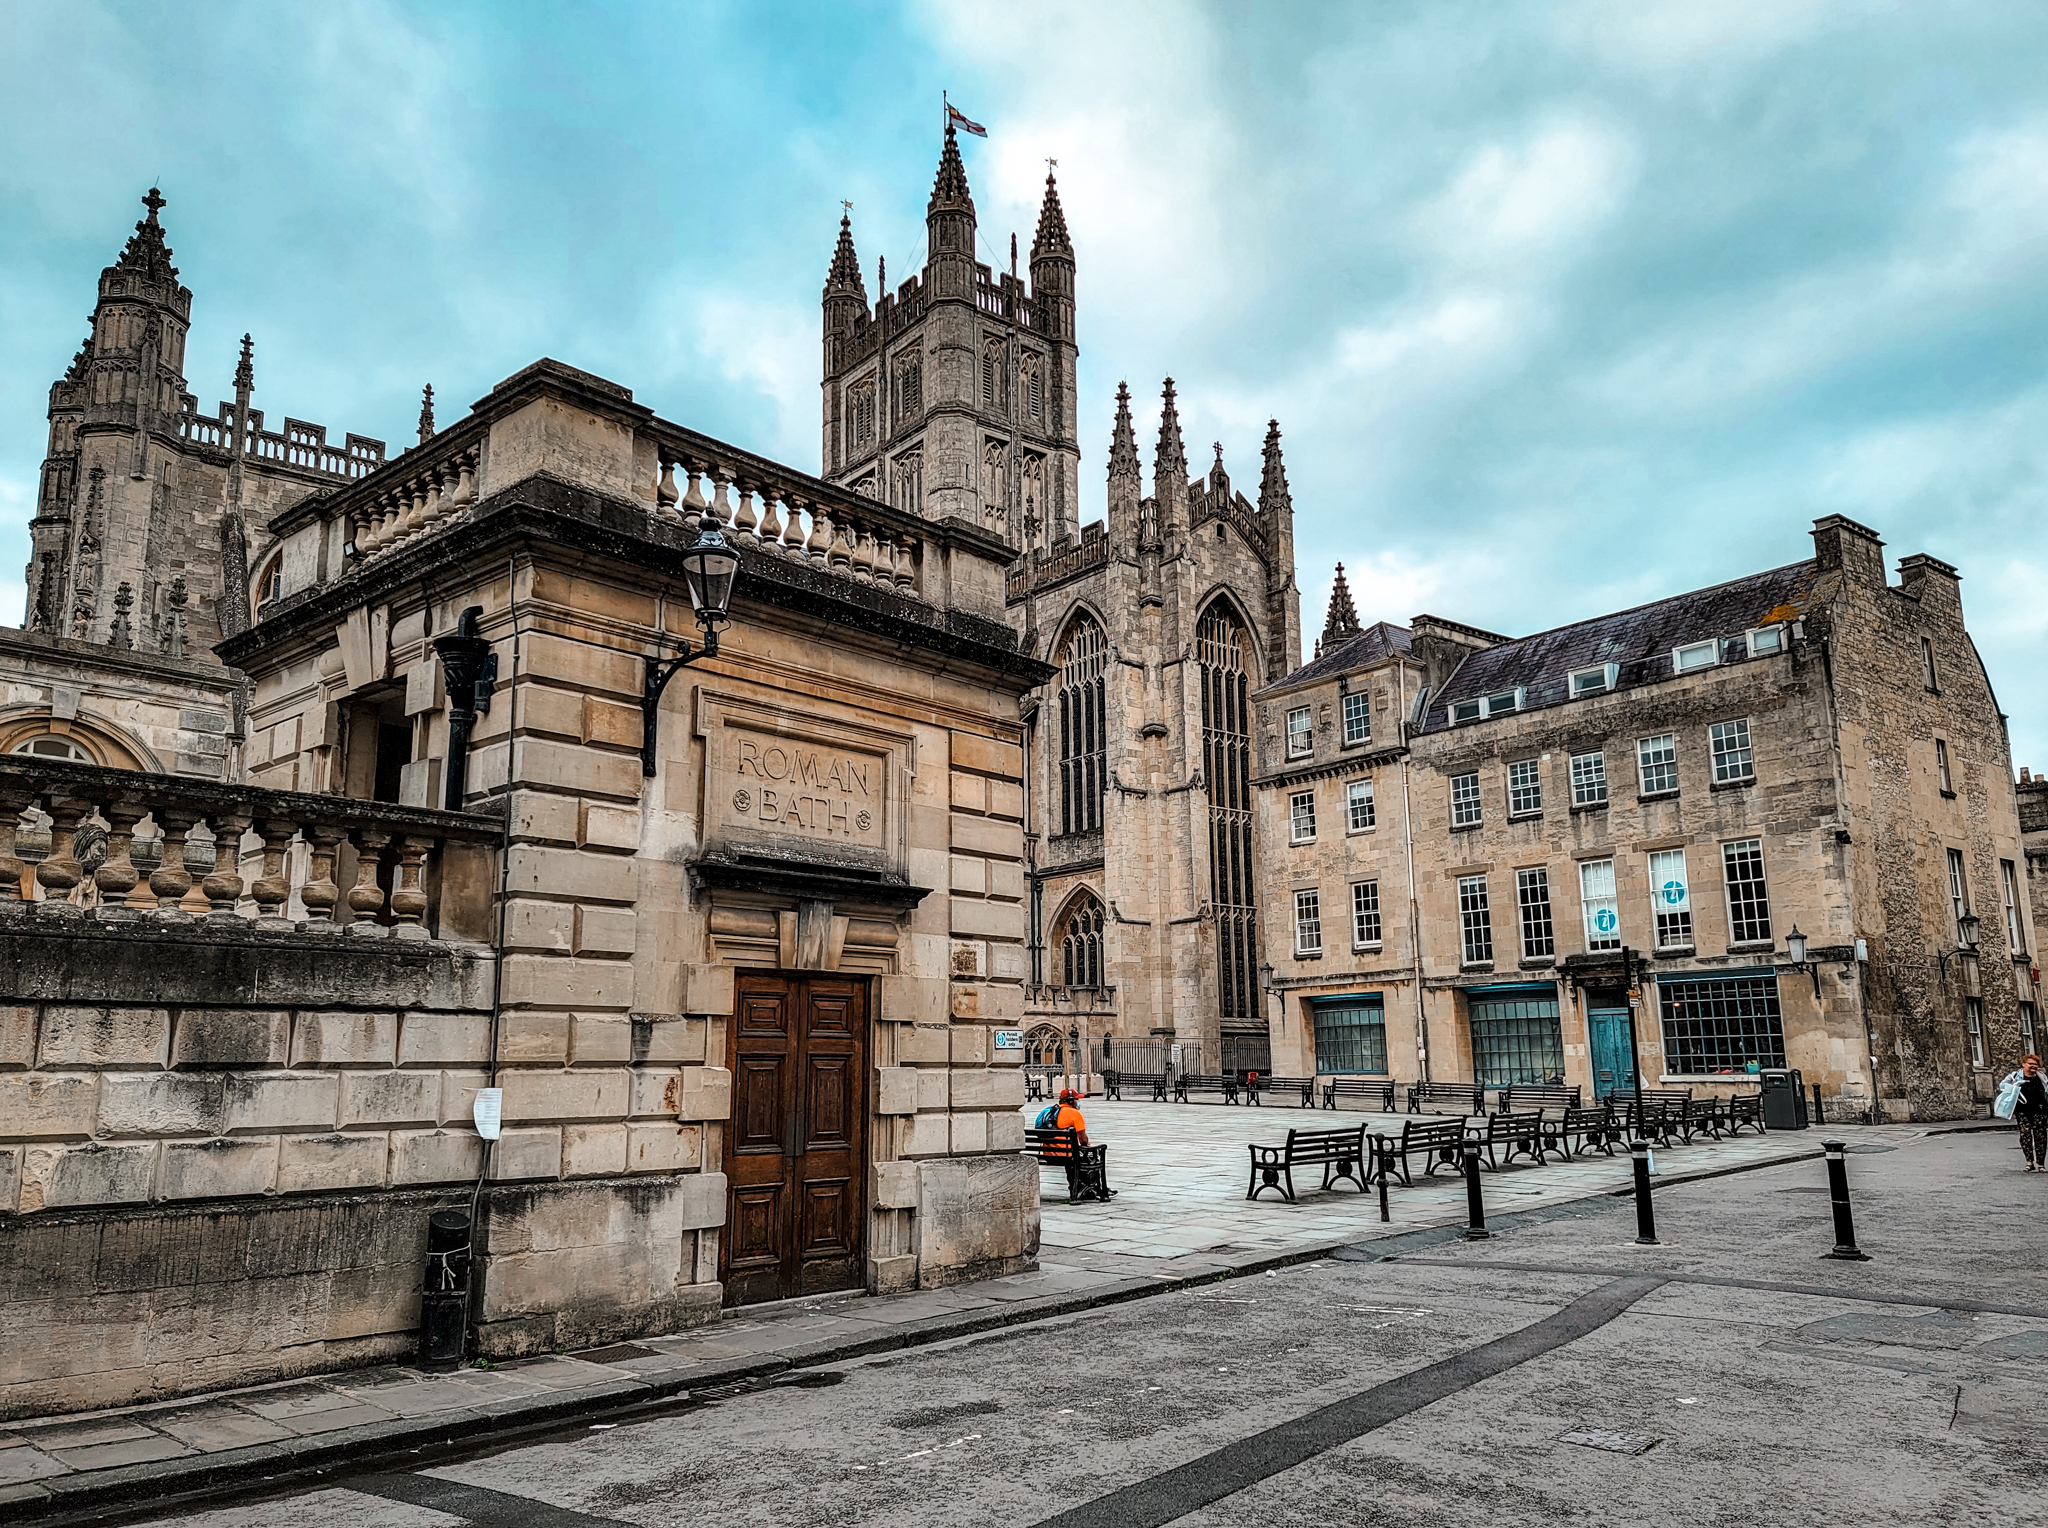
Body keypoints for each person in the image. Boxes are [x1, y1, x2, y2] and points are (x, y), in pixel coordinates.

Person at [2004, 1055, 2048, 1172]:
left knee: (2041, 1137)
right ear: (2023, 1064)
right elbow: (2002, 1086)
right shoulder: (2015, 1076)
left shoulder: (2041, 1077)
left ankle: (2041, 1164)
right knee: (2025, 1136)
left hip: (2040, 1110)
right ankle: (2029, 1162)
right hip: (2022, 1111)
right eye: (2030, 1064)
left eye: (2035, 1064)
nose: (2033, 1066)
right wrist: (2014, 1086)